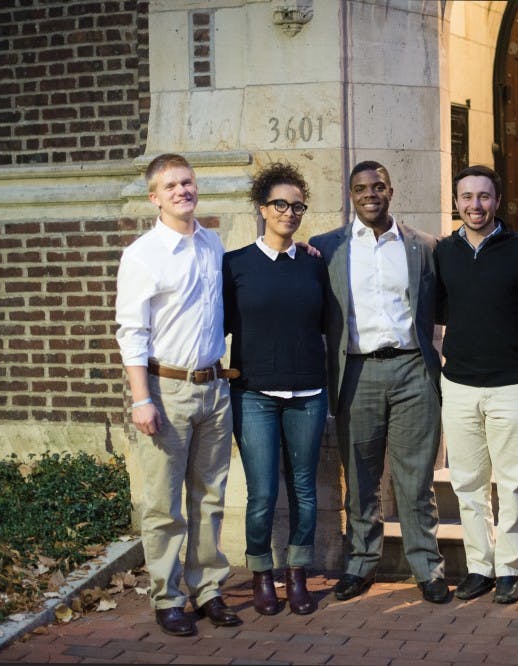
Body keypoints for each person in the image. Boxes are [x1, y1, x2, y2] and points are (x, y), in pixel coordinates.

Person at [309, 160, 448, 604]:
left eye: (378, 186)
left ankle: (427, 567)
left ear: (391, 190)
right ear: (350, 194)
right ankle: (360, 565)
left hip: (412, 370)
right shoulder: (326, 248)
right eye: (360, 188)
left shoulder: (423, 246)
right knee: (361, 478)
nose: (370, 194)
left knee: (415, 479)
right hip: (357, 372)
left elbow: (441, 307)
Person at [115, 153, 240, 637]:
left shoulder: (212, 243)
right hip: (166, 390)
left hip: (215, 389)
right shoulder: (142, 254)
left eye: (187, 182)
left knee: (210, 497)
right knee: (164, 503)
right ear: (155, 197)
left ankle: (208, 589)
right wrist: (141, 399)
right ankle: (167, 598)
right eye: (171, 186)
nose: (182, 191)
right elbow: (131, 333)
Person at [433, 165, 518, 604]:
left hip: (510, 383)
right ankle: (480, 566)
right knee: (467, 482)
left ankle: (511, 569)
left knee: (512, 482)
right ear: (456, 202)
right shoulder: (444, 252)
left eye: (483, 197)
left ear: (497, 201)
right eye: (466, 197)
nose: (475, 205)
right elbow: (441, 309)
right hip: (459, 383)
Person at [223, 162, 329, 616]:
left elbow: (326, 322)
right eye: (280, 204)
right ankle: (262, 573)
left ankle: (298, 573)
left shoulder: (311, 264)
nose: (289, 212)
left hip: (307, 392)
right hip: (254, 395)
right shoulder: (236, 265)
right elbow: (219, 328)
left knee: (305, 489)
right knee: (263, 492)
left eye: (297, 205)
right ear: (262, 208)